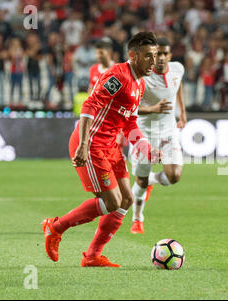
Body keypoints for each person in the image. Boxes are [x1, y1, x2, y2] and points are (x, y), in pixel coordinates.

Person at [41, 32, 161, 268]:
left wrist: (143, 145)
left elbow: (129, 122)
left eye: (155, 56)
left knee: (126, 199)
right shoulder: (118, 75)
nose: (153, 62)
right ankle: (54, 227)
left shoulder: (140, 83)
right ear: (133, 55)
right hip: (92, 143)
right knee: (112, 201)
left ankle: (93, 255)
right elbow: (89, 104)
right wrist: (84, 144)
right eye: (148, 56)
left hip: (111, 146)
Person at [129, 37, 186, 234]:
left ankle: (153, 180)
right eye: (157, 54)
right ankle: (137, 218)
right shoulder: (142, 75)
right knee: (141, 182)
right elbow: (130, 108)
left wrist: (183, 113)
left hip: (168, 131)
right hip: (144, 134)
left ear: (170, 56)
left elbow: (178, 86)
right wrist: (154, 108)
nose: (161, 58)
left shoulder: (177, 69)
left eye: (164, 54)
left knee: (174, 176)